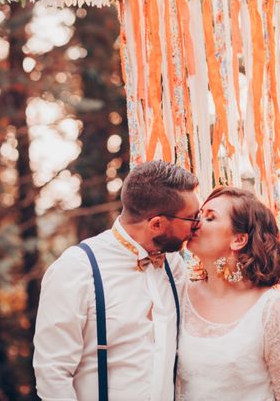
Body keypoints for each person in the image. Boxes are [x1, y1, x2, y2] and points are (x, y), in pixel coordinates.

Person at [33, 160, 200, 400]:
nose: (197, 226)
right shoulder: (77, 269)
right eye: (191, 219)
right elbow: (52, 372)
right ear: (156, 224)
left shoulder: (174, 267)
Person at [177, 186, 280, 401]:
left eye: (210, 218)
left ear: (238, 240)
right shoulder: (179, 296)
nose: (196, 223)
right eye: (199, 215)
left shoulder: (271, 309)